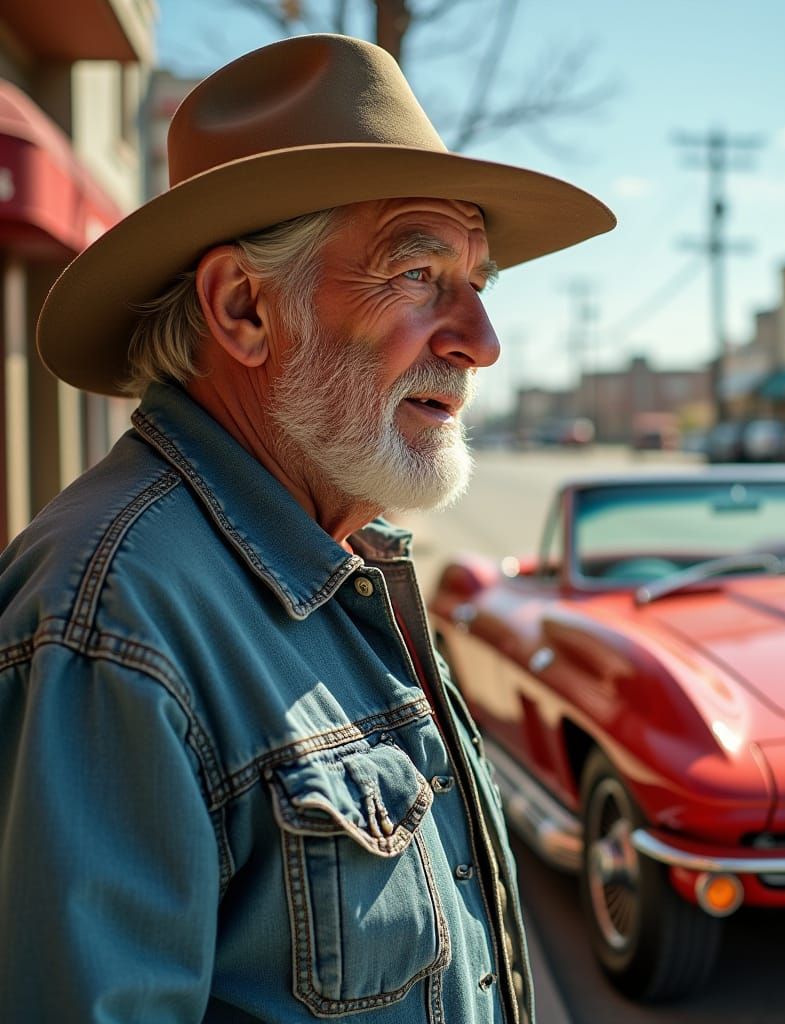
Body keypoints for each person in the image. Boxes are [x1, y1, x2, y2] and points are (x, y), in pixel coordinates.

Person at [0, 34, 613, 1022]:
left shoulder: (336, 546)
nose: (481, 341)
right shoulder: (112, 617)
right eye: (419, 272)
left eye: (477, 283)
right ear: (245, 308)